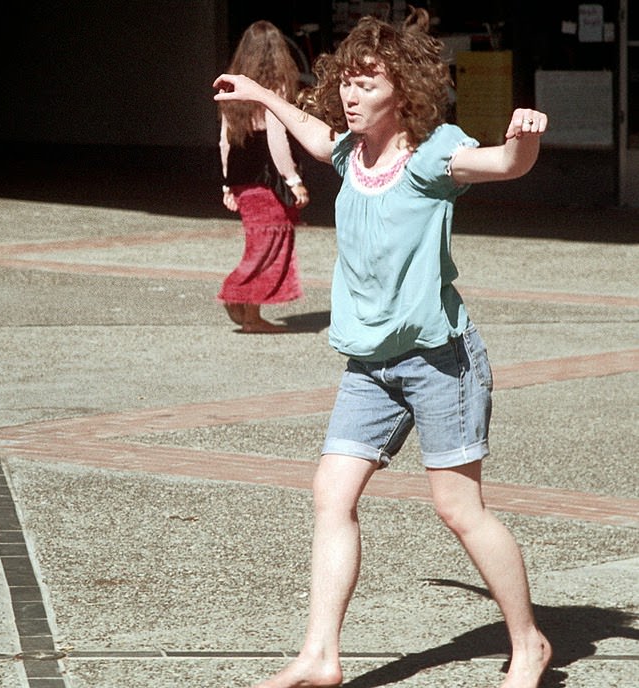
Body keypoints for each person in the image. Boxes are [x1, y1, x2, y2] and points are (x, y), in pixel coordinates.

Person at [213, 8, 551, 688]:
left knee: (458, 509)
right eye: (347, 82)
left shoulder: (430, 157)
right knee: (330, 494)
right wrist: (260, 96)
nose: (351, 94)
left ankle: (530, 645)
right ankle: (320, 657)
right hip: (370, 363)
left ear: (404, 92)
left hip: (438, 358)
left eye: (368, 84)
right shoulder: (350, 151)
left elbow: (500, 164)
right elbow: (313, 134)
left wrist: (524, 142)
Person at [217, 20, 310, 334]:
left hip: (242, 177)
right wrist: (292, 178)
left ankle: (249, 311)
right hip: (267, 177)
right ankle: (240, 300)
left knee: (260, 243)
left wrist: (228, 183)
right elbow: (276, 138)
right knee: (269, 244)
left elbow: (225, 140)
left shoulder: (232, 86)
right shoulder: (275, 86)